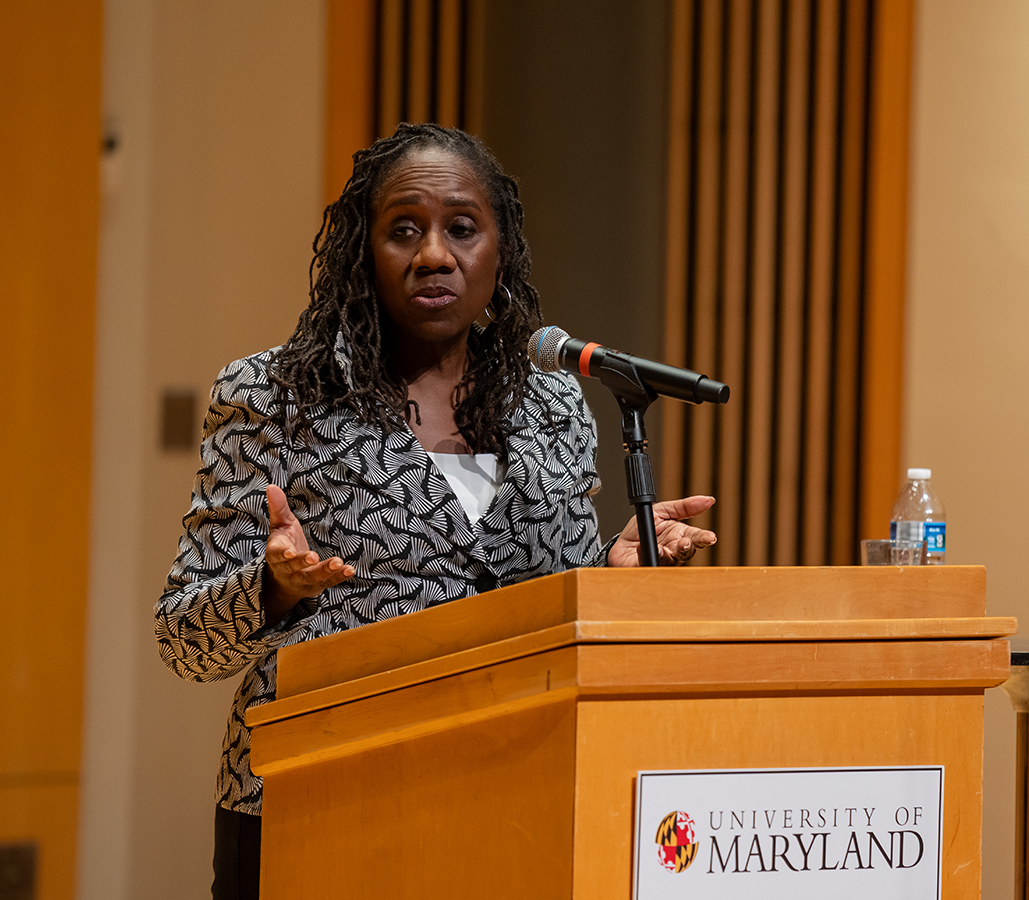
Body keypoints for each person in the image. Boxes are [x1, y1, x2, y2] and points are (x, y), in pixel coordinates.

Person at [153, 123, 715, 900]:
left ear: (500, 251)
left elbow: (552, 622)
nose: (434, 255)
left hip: (516, 801)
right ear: (364, 253)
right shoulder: (272, 396)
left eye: (461, 228)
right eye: (404, 230)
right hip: (323, 805)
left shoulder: (551, 403)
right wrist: (274, 586)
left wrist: (609, 575)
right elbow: (184, 643)